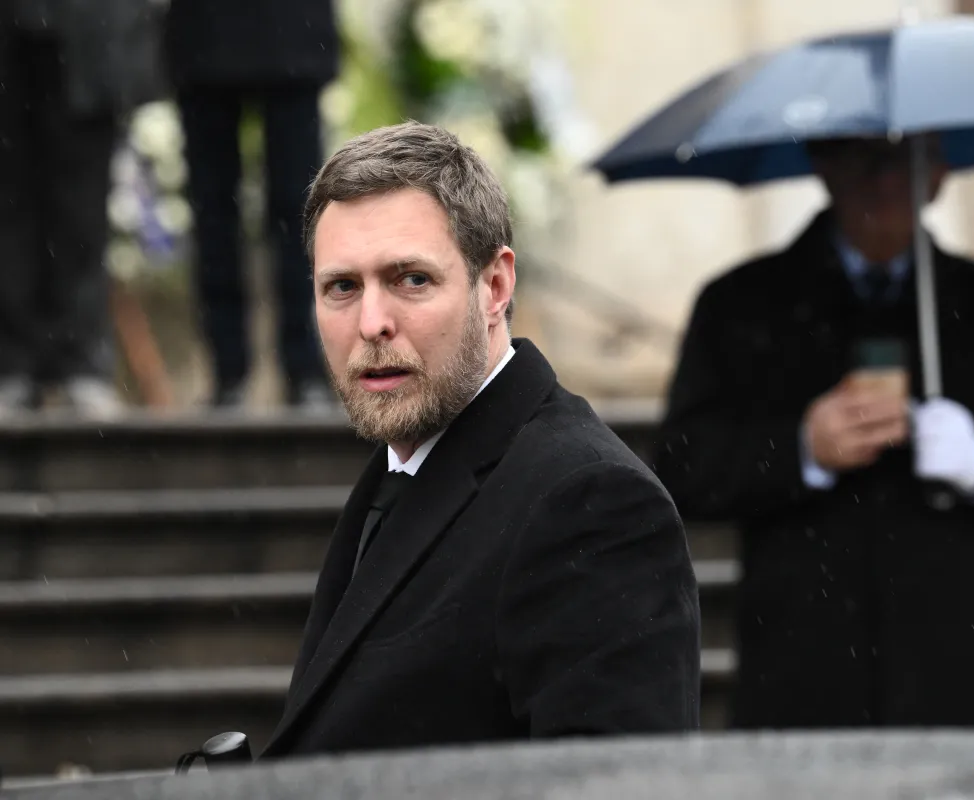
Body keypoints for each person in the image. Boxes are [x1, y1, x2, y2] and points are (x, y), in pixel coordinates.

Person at [259, 122, 701, 759]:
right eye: (342, 287)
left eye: (411, 279)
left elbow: (615, 784)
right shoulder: (405, 463)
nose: (372, 323)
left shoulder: (592, 502)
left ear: (494, 287)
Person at [653, 135, 974, 729]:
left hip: (961, 678)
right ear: (823, 164)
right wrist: (799, 449)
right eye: (864, 157)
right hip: (805, 677)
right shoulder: (741, 304)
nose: (886, 178)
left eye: (909, 158)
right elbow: (682, 464)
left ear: (939, 172)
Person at [164, 0, 339, 409]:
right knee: (214, 212)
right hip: (207, 34)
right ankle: (230, 371)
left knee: (301, 206)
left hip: (291, 31)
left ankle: (305, 365)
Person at [0, 0, 159, 417]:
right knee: (11, 203)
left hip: (87, 33)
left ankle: (81, 363)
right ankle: (13, 365)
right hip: (12, 34)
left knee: (83, 209)